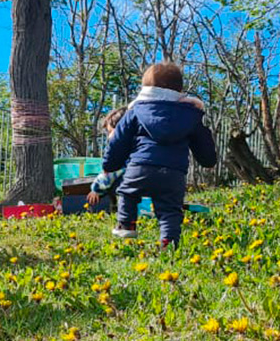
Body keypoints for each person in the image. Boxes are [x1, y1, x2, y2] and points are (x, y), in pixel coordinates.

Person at [102, 62, 217, 247]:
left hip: (140, 167)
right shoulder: (191, 116)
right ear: (179, 90)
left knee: (127, 191)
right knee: (171, 210)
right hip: (173, 173)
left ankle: (126, 223)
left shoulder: (135, 112)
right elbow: (204, 148)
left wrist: (109, 165)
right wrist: (208, 160)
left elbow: (118, 141)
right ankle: (168, 243)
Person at [86, 108, 129, 208]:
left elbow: (110, 173)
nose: (109, 137)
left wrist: (96, 189)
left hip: (129, 187)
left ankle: (114, 206)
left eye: (110, 132)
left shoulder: (120, 149)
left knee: (111, 185)